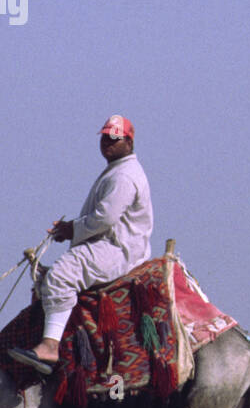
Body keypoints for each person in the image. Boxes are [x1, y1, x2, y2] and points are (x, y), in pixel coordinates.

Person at [10, 115, 153, 374]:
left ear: (129, 142)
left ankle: (50, 347)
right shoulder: (117, 170)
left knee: (60, 276)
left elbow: (105, 218)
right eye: (105, 136)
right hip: (109, 243)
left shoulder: (124, 176)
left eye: (115, 138)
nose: (108, 142)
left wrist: (71, 229)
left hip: (117, 249)